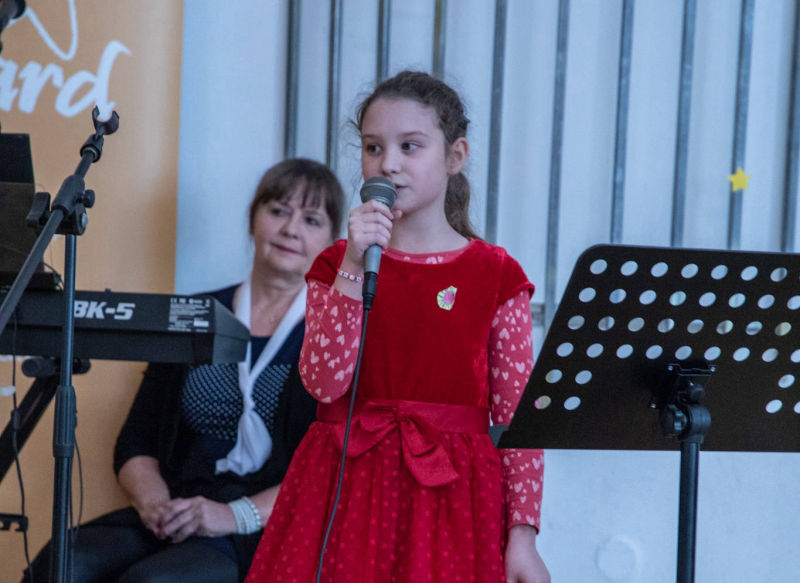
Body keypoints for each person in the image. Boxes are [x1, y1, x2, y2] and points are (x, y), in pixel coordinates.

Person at [245, 71, 550, 582]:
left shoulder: (496, 274)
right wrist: (354, 262)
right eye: (373, 147)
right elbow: (323, 383)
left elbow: (520, 420)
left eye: (410, 146)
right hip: (342, 483)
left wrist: (522, 536)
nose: (388, 163)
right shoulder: (336, 263)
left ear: (455, 156)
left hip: (450, 494)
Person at [22, 158, 345, 583]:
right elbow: (137, 439)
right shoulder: (192, 313)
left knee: (152, 582)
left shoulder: (335, 337)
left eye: (311, 220)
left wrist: (232, 515)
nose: (290, 229)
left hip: (265, 524)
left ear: (332, 242)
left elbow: (331, 472)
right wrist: (155, 505)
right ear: (253, 220)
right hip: (174, 508)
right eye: (278, 211)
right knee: (62, 563)